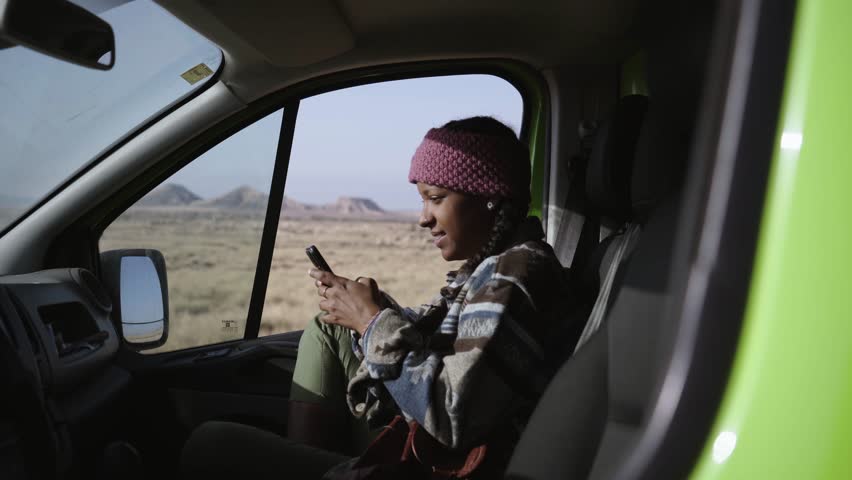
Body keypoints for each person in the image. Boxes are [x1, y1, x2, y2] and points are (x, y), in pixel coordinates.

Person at [181, 116, 581, 478]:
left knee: (211, 442)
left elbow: (454, 418)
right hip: (422, 442)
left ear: (490, 196)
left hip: (442, 461)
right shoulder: (493, 268)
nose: (423, 217)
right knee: (329, 327)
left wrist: (373, 322)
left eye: (436, 198)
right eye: (422, 198)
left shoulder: (514, 275)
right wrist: (369, 312)